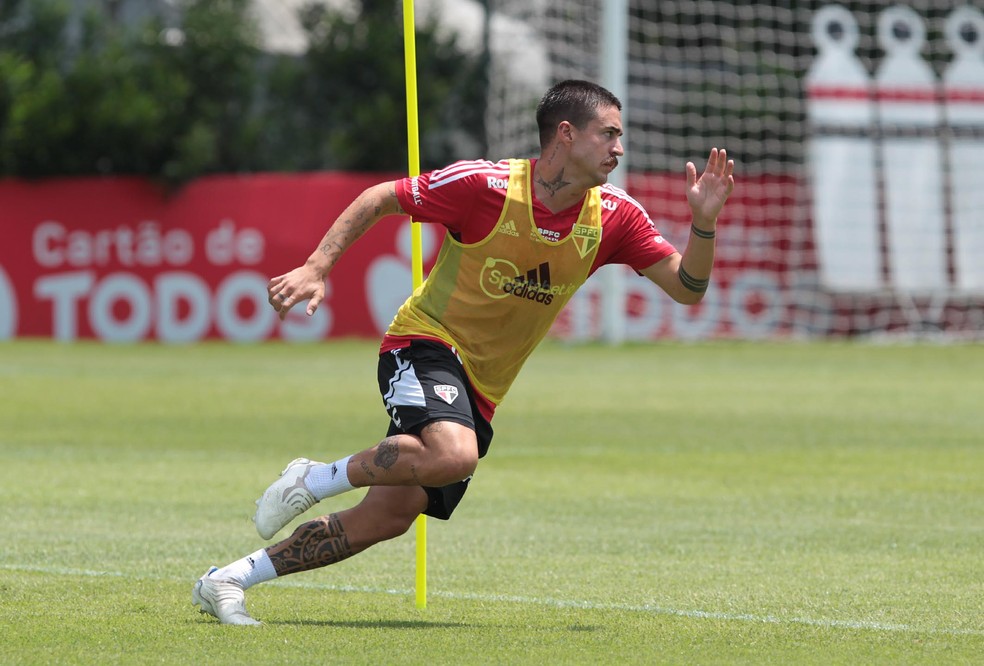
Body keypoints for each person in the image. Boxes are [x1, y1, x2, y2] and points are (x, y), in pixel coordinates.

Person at [192, 79, 735, 625]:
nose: (620, 148)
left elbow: (687, 288)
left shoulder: (615, 216)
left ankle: (228, 579)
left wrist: (704, 224)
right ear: (566, 135)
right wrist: (316, 267)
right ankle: (315, 478)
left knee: (392, 515)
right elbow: (381, 197)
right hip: (424, 341)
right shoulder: (484, 184)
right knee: (455, 455)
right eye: (609, 134)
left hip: (485, 389)